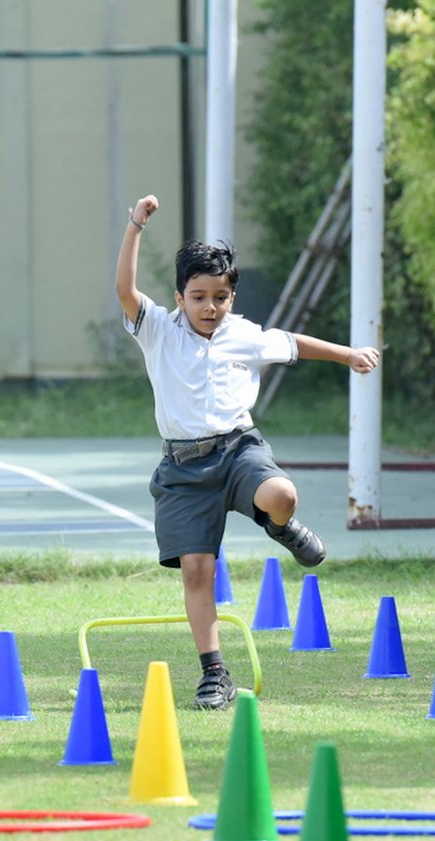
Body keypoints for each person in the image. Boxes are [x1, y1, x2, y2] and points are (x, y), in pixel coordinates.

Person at [115, 194, 379, 710]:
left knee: (282, 494)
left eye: (220, 297)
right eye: (198, 297)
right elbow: (125, 289)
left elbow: (296, 344)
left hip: (239, 449)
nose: (209, 307)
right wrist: (135, 227)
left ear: (232, 297)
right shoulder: (157, 331)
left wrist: (348, 355)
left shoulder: (244, 336)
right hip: (183, 468)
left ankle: (280, 528)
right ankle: (214, 673)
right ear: (179, 297)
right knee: (198, 571)